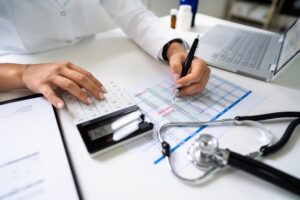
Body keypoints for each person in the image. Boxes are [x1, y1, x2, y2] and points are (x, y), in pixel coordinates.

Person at [0, 0, 210, 108]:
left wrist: (173, 48)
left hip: (94, 63)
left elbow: (134, 15)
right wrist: (23, 73)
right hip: (15, 79)